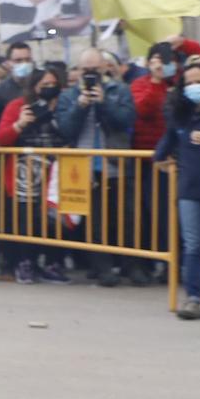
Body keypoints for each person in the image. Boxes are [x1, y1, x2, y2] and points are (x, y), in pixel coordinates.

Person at [56, 48, 136, 285]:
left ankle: (131, 266)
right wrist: (80, 106)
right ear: (79, 71)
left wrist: (104, 103)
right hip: (85, 166)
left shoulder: (119, 90)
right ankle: (103, 269)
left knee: (127, 219)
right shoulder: (69, 95)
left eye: (95, 70)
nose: (90, 74)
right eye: (86, 70)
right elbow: (65, 129)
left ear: (104, 68)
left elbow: (126, 120)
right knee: (96, 222)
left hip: (116, 163)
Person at [156, 59, 200, 319]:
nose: (195, 87)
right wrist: (160, 160)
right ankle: (193, 298)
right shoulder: (179, 113)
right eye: (190, 83)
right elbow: (166, 143)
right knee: (194, 245)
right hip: (190, 188)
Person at [0, 66, 73, 284]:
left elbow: (72, 131)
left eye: (53, 85)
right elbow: (2, 137)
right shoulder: (18, 106)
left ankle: (52, 262)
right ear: (33, 87)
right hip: (26, 172)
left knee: (56, 218)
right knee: (26, 219)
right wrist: (20, 123)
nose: (49, 89)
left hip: (57, 170)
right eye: (44, 86)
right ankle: (26, 262)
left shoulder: (65, 105)